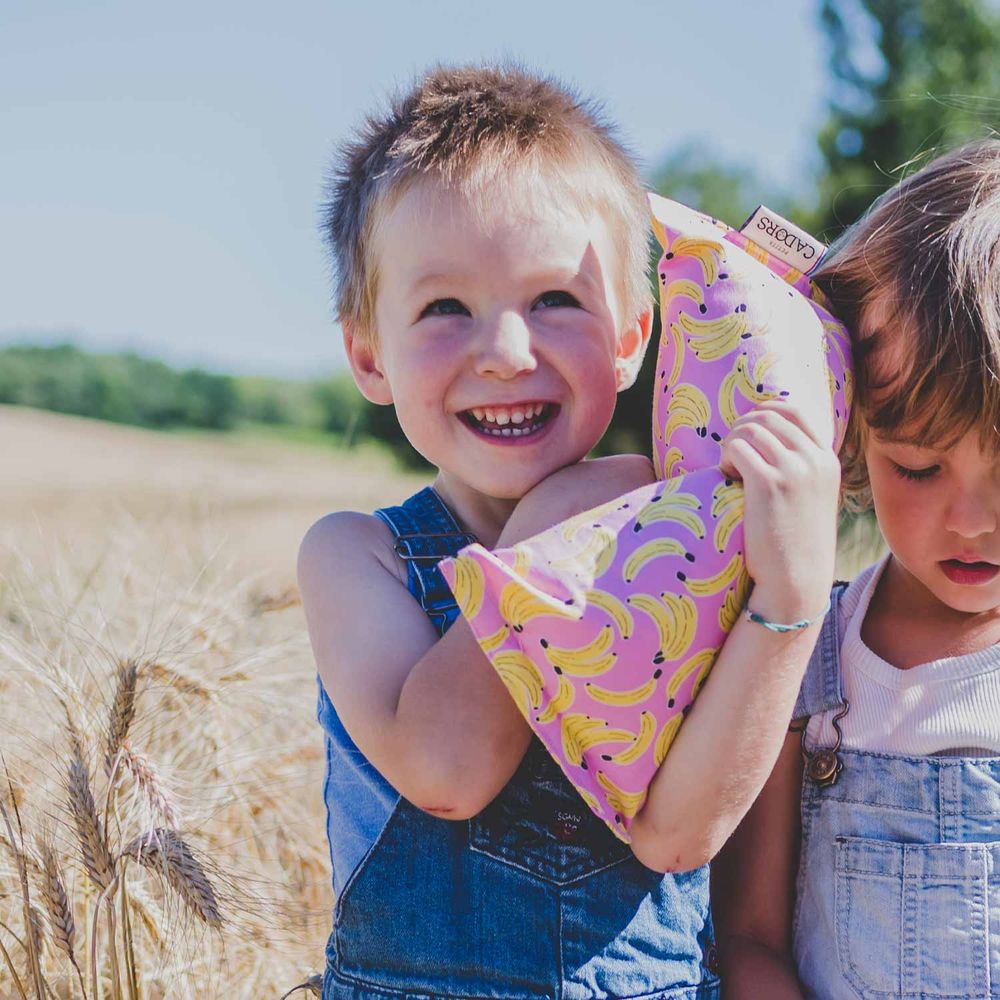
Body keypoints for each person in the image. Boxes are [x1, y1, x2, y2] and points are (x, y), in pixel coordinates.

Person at [298, 62, 840, 1000]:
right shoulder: (358, 556)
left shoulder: (694, 551)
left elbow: (681, 836)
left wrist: (787, 598)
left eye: (554, 299)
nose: (507, 353)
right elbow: (447, 769)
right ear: (367, 354)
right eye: (443, 309)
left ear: (634, 336)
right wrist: (546, 541)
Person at [713, 138, 1000, 999]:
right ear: (852, 433)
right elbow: (750, 939)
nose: (974, 520)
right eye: (919, 466)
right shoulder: (800, 654)